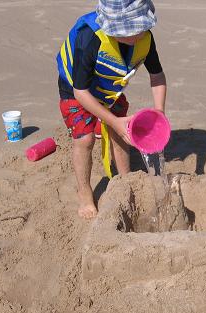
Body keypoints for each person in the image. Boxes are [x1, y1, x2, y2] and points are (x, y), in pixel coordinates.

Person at [56, 0, 167, 219]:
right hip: (76, 89)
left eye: (140, 28)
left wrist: (159, 111)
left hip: (108, 88)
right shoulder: (89, 39)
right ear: (111, 28)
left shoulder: (145, 38)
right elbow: (81, 93)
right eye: (130, 31)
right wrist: (113, 121)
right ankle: (85, 192)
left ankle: (126, 180)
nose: (137, 35)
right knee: (85, 139)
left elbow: (157, 76)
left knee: (122, 131)